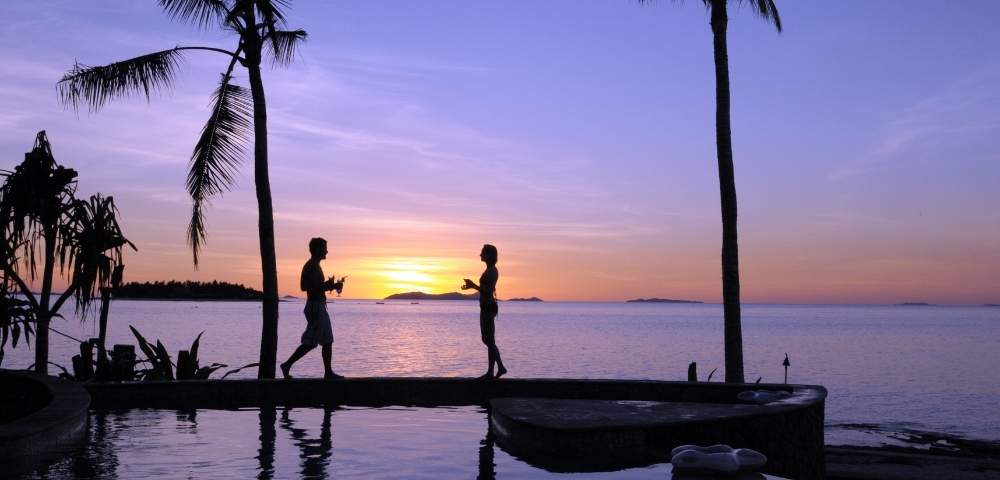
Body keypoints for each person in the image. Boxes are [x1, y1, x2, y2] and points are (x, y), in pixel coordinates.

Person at [280, 237, 345, 380]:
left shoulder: (315, 265)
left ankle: (328, 373)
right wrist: (330, 286)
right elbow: (305, 287)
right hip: (315, 307)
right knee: (310, 342)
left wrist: (327, 285)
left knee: (328, 340)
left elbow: (313, 286)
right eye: (324, 248)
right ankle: (287, 365)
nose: (327, 251)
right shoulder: (311, 266)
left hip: (320, 306)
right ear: (316, 249)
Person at [462, 244, 508, 380]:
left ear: (489, 255)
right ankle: (495, 370)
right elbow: (485, 289)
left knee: (489, 340)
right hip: (485, 308)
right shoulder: (489, 270)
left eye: (482, 253)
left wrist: (473, 285)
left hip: (488, 308)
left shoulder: (493, 271)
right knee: (487, 340)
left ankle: (496, 369)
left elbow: (488, 291)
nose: (480, 255)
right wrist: (471, 286)